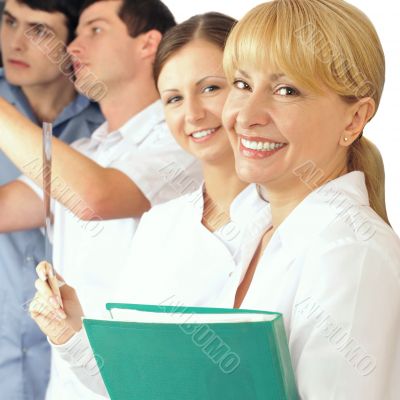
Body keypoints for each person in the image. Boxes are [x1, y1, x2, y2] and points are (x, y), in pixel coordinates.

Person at [31, 0, 400, 398]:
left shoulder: (349, 251)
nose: (245, 114)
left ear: (354, 119)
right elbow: (179, 387)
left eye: (286, 90)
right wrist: (71, 335)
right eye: (242, 85)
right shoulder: (262, 234)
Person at [29, 11, 269, 397]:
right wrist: (70, 330)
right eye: (173, 98)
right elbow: (128, 376)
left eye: (210, 88)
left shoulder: (288, 222)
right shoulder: (161, 225)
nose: (192, 114)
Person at [0, 0, 201, 399]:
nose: (73, 48)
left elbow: (95, 198)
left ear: (148, 43)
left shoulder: (185, 137)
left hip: (139, 385)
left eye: (95, 30)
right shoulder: (87, 149)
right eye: (75, 35)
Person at [0, 0, 104, 399]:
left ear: (76, 39)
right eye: (9, 22)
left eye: (39, 30)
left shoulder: (114, 124)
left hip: (80, 367)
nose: (15, 42)